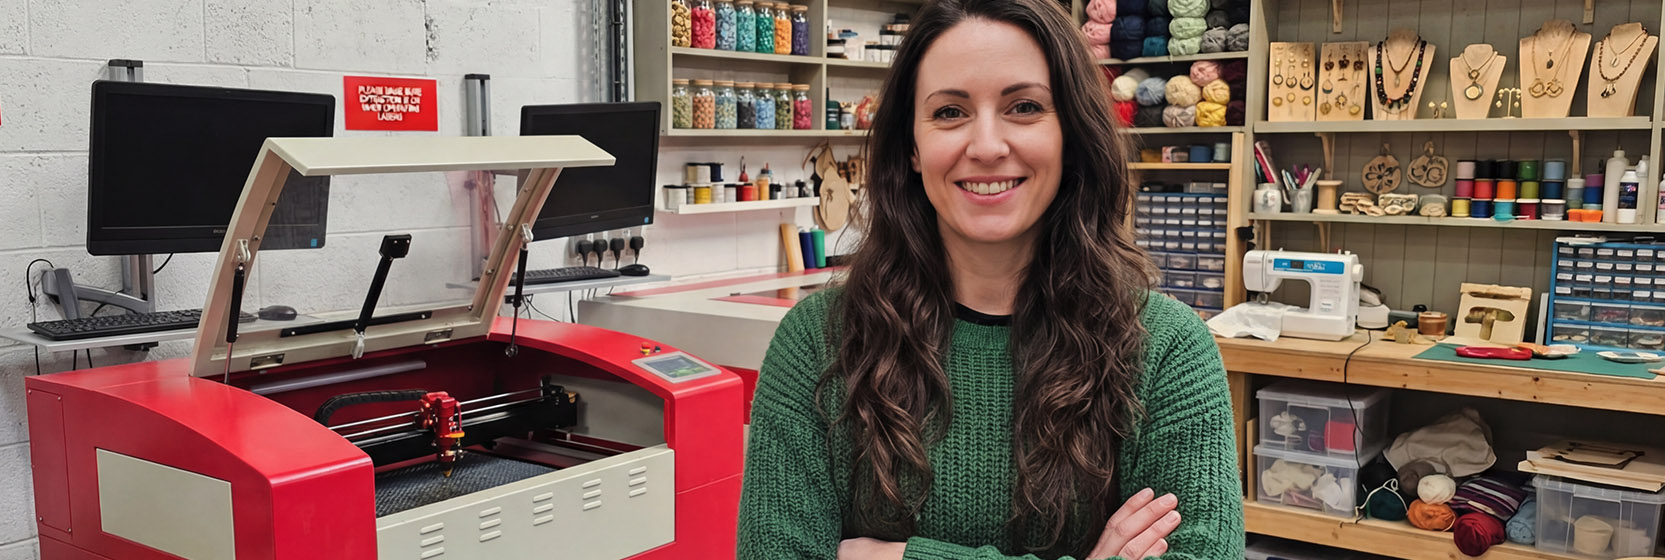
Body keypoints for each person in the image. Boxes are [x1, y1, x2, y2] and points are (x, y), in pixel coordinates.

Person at [735, 0, 1242, 558]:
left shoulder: (1165, 349)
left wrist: (900, 556)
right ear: (911, 147)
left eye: (1024, 107)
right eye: (949, 113)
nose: (986, 146)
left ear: (1070, 133)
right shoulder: (818, 344)